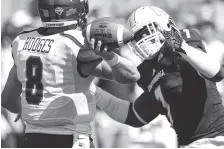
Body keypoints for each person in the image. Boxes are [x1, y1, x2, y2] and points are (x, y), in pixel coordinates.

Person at [1, 0, 140, 148]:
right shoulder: (76, 44)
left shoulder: (21, 41)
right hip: (71, 140)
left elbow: (7, 99)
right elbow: (132, 75)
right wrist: (111, 57)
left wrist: (30, 112)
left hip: (33, 140)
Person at [94, 6, 224, 148]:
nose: (141, 40)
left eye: (144, 32)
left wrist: (179, 44)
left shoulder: (184, 41)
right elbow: (134, 116)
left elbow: (217, 73)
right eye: (136, 37)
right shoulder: (147, 70)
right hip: (188, 144)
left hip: (216, 139)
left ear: (163, 25)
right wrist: (92, 91)